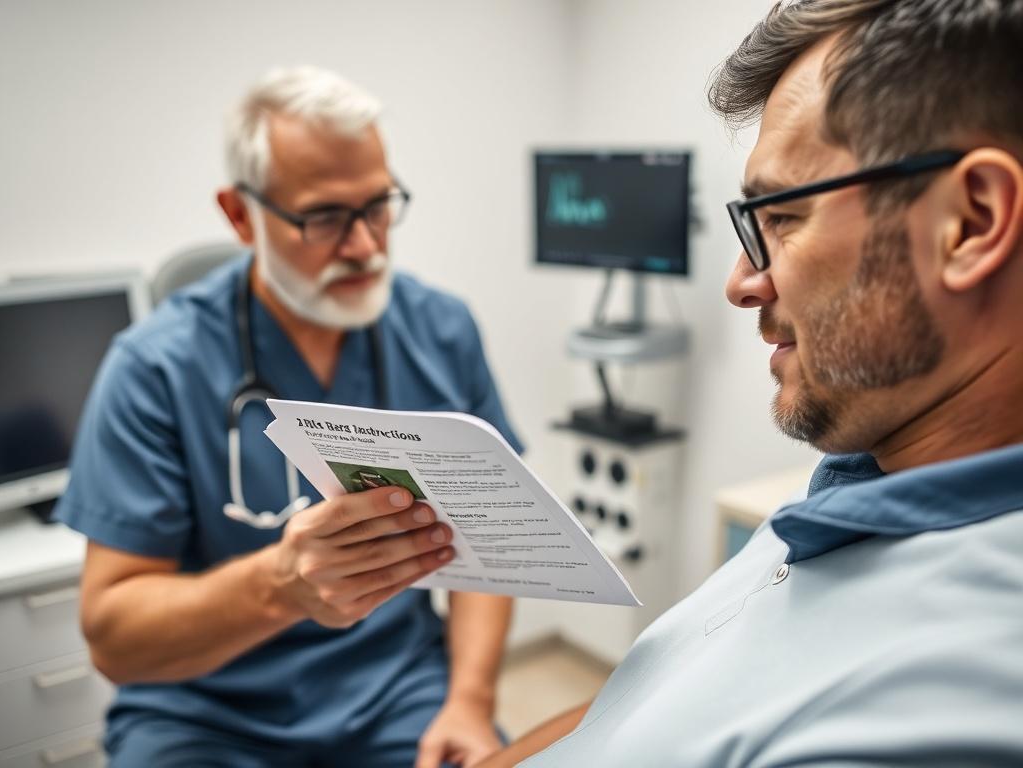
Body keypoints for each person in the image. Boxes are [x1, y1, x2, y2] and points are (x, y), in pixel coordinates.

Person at [481, 1, 1023, 765]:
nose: (741, 282)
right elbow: (643, 697)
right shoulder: (859, 479)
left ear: (969, 221)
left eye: (782, 215)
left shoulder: (949, 705)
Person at [55, 66, 521, 768]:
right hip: (203, 710)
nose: (366, 245)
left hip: (396, 690)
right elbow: (113, 640)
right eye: (326, 217)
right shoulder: (154, 367)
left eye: (379, 205)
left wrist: (471, 700)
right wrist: (279, 585)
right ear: (240, 216)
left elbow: (491, 545)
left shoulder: (440, 330)